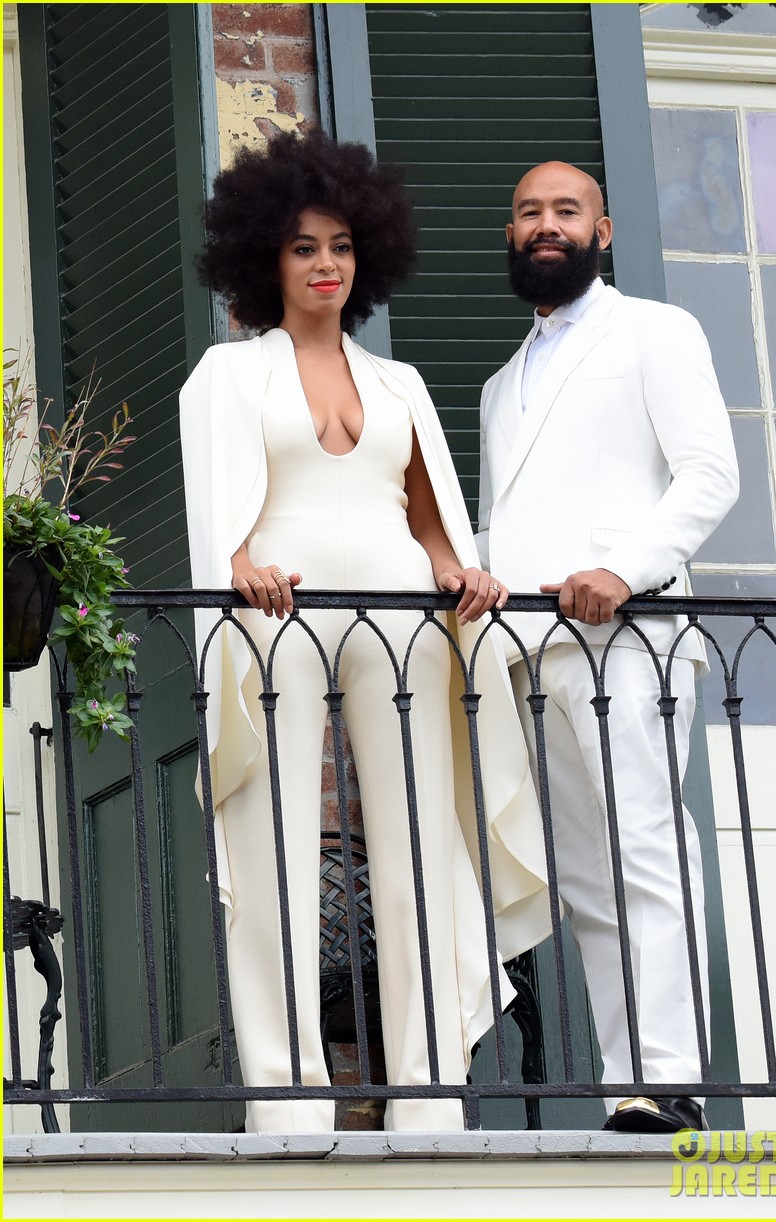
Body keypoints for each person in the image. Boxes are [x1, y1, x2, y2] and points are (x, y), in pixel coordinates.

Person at [179, 130, 550, 1134]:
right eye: (304, 247)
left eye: (341, 244)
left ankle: (429, 1094)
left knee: (420, 844)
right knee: (274, 845)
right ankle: (287, 1099)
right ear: (267, 258)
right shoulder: (225, 376)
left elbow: (430, 520)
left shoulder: (400, 385)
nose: (326, 264)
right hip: (278, 609)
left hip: (402, 613)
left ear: (366, 255)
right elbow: (219, 511)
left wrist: (455, 571)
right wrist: (237, 567)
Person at [476, 160, 739, 1133]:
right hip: (531, 656)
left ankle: (670, 1077)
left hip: (628, 637)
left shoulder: (656, 333)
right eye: (529, 213)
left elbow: (709, 474)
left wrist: (625, 571)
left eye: (566, 211)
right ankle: (631, 1079)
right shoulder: (504, 385)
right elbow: (511, 528)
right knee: (586, 878)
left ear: (606, 229)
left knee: (645, 848)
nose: (547, 225)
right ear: (512, 235)